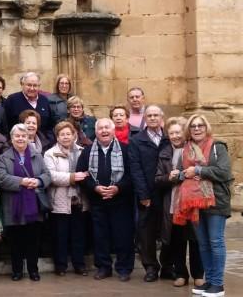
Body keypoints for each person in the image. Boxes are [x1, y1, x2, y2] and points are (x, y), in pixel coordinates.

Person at [178, 115, 233, 297]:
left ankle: (218, 284)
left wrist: (199, 170)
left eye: (200, 125)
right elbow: (186, 173)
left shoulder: (217, 147)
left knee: (215, 242)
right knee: (203, 244)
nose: (196, 128)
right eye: (193, 126)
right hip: (196, 202)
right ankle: (209, 281)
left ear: (206, 127)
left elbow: (224, 172)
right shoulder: (187, 148)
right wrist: (179, 174)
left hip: (215, 200)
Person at [76, 118, 134, 282]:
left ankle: (124, 268)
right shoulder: (87, 152)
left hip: (121, 201)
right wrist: (95, 187)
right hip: (97, 201)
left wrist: (118, 188)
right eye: (100, 128)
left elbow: (132, 175)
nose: (104, 131)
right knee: (100, 237)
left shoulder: (125, 150)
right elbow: (81, 175)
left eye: (107, 127)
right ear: (96, 132)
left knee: (123, 236)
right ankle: (103, 267)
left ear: (113, 130)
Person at [153, 117, 204, 288]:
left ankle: (198, 274)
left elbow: (202, 171)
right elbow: (158, 179)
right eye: (172, 133)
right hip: (173, 203)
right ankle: (181, 274)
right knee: (177, 240)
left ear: (184, 133)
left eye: (178, 132)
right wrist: (169, 177)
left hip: (193, 202)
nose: (175, 136)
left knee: (196, 240)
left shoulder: (194, 149)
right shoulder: (165, 153)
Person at [0, 124, 51, 281]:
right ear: (12, 139)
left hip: (34, 206)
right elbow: (2, 178)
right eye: (17, 136)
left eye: (23, 136)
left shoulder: (37, 156)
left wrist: (39, 181)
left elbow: (47, 175)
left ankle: (33, 270)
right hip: (13, 206)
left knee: (33, 241)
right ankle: (17, 271)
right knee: (16, 242)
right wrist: (22, 181)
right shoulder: (3, 158)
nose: (20, 139)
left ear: (28, 138)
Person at [128, 105, 173, 282]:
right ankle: (151, 267)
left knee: (169, 230)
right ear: (144, 119)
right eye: (149, 115)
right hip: (147, 193)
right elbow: (136, 169)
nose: (153, 118)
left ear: (161, 118)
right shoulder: (137, 140)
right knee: (146, 233)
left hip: (168, 191)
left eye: (156, 115)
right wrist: (143, 195)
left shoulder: (169, 138)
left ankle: (168, 266)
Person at [43, 121, 88, 276]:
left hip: (79, 200)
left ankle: (79, 265)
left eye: (68, 133)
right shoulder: (50, 154)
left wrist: (83, 177)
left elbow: (88, 172)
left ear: (74, 135)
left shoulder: (83, 151)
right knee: (60, 236)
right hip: (60, 200)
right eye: (62, 134)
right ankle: (60, 266)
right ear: (57, 137)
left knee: (78, 235)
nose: (66, 137)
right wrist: (73, 177)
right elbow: (51, 176)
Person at [4, 72, 54, 144]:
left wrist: (49, 141)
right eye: (29, 85)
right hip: (19, 144)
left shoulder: (44, 100)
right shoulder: (12, 100)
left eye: (35, 85)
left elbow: (50, 125)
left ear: (39, 86)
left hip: (43, 145)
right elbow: (6, 126)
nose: (32, 88)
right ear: (22, 84)